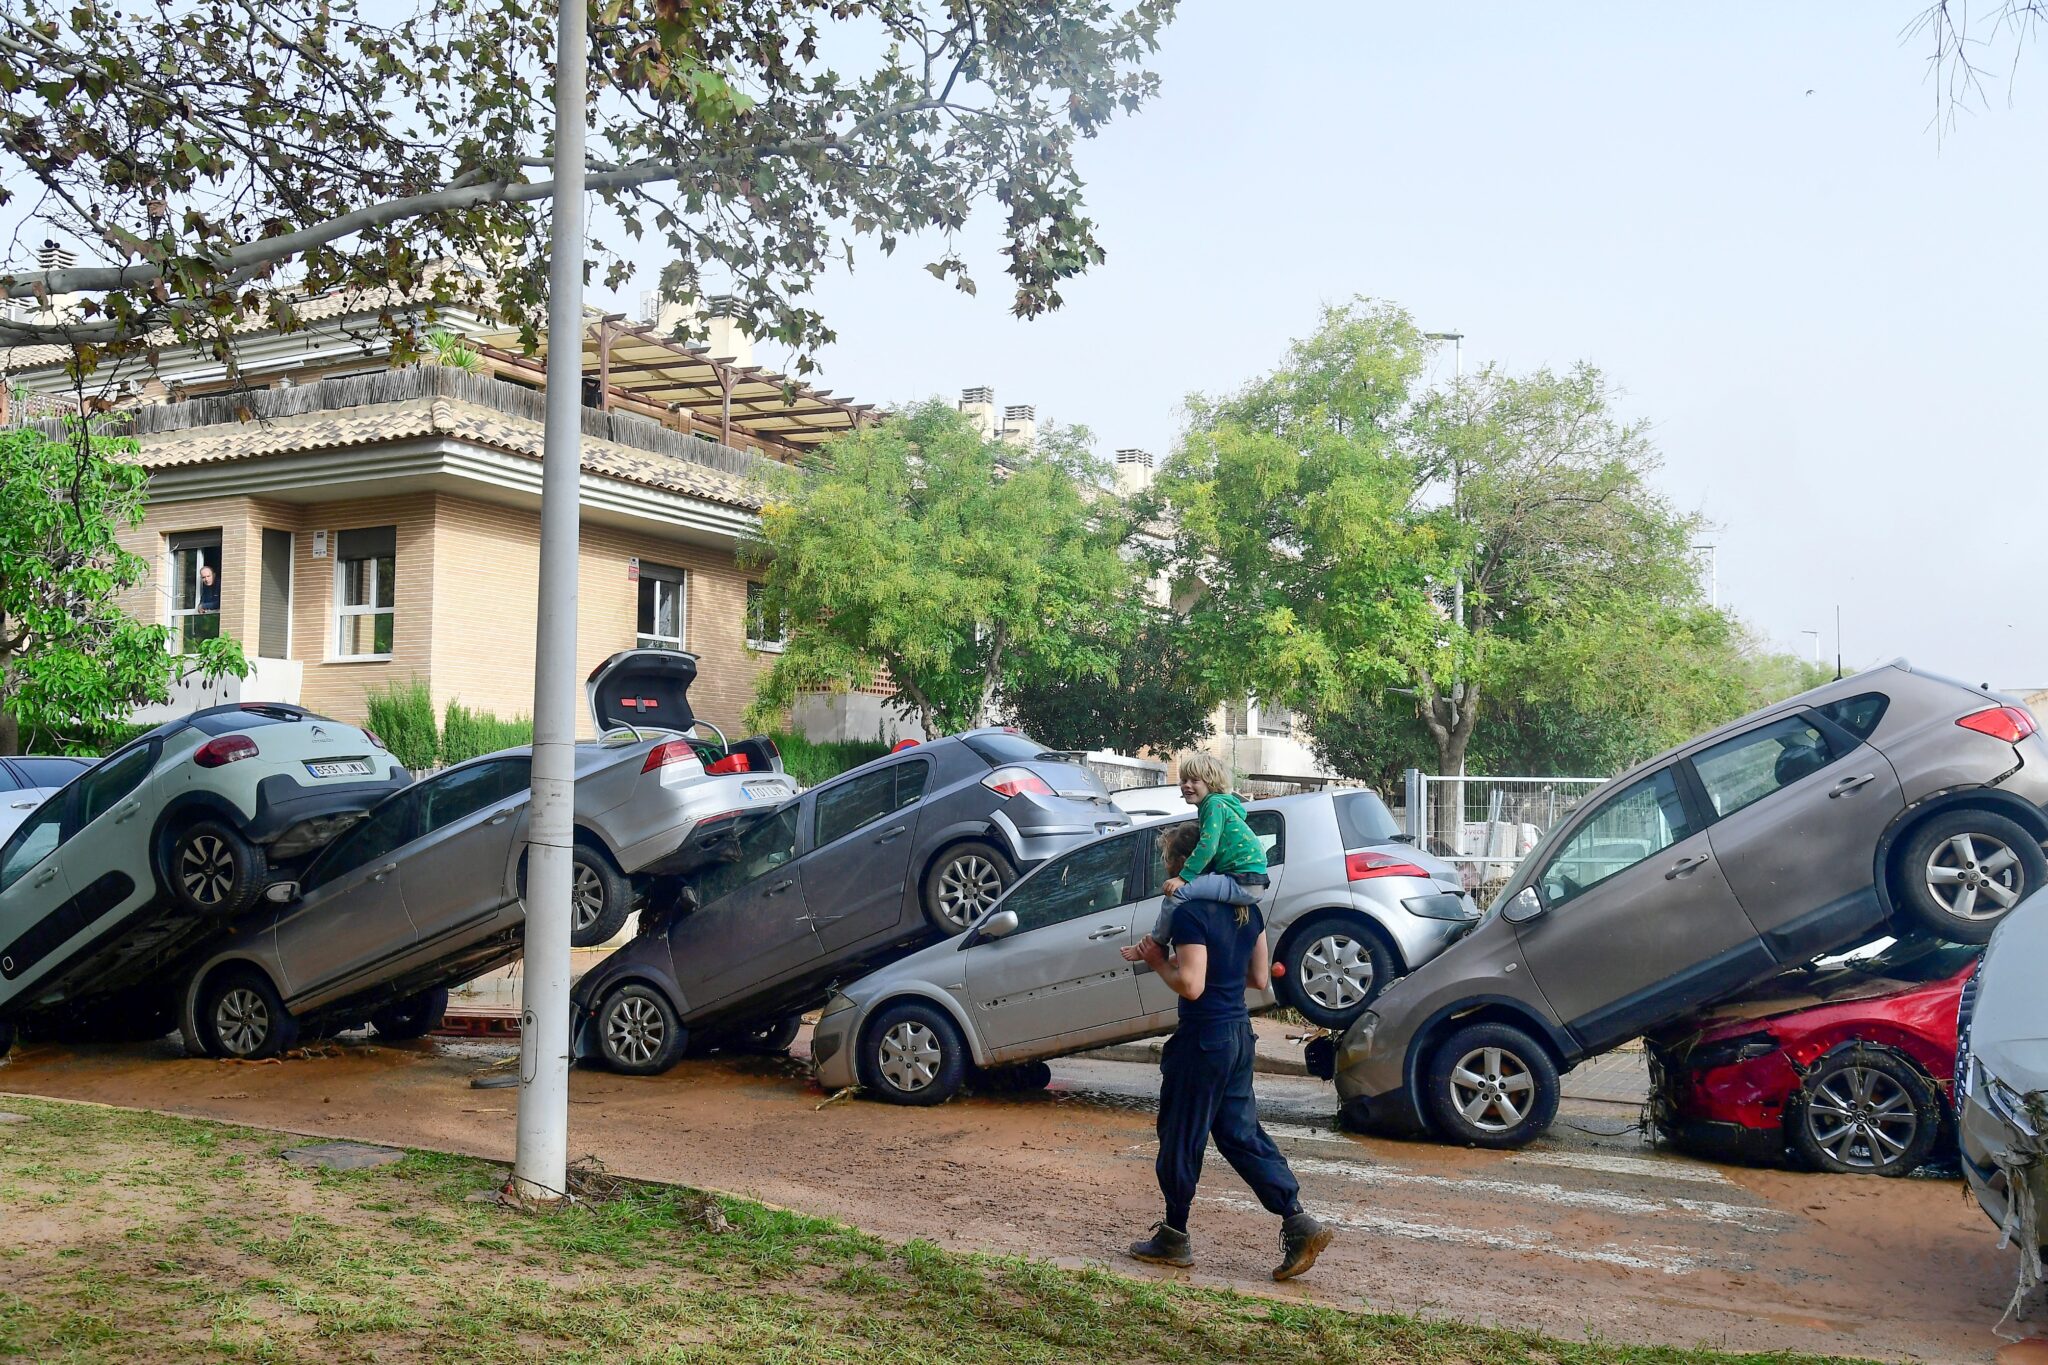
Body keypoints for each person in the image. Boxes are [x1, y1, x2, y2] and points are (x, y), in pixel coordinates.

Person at [1120, 821, 1332, 1280]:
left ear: (1185, 863)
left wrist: (1159, 962)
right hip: (1238, 1034)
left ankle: (1174, 1236)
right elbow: (1259, 980)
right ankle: (1297, 1219)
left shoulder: (1190, 913)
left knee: (1181, 1133)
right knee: (1239, 1133)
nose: (1169, 870)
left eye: (1169, 861)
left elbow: (1191, 986)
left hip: (1203, 1038)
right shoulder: (1247, 912)